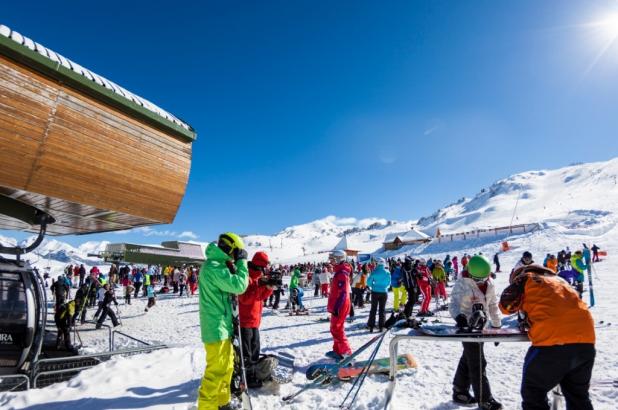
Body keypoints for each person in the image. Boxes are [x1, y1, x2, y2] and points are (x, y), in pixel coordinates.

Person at [499, 264, 595, 410]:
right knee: (578, 397)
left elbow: (505, 306)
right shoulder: (561, 281)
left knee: (533, 392)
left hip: (552, 343)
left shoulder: (526, 278)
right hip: (585, 341)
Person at [197, 232, 249, 410]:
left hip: (222, 326)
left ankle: (222, 402)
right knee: (214, 374)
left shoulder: (219, 265)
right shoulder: (213, 267)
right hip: (215, 327)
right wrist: (242, 263)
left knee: (226, 368)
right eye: (236, 254)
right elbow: (239, 285)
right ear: (230, 249)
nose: (236, 258)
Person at [450, 255, 502, 410]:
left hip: (482, 326)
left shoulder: (490, 283)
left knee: (469, 357)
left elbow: (492, 304)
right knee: (478, 361)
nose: (481, 282)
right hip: (467, 326)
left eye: (483, 279)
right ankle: (485, 399)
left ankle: (460, 390)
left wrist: (497, 326)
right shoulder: (462, 283)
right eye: (478, 279)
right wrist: (459, 317)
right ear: (471, 274)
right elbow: (453, 304)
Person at [238, 251, 275, 387]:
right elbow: (245, 299)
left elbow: (260, 297)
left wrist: (269, 288)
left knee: (255, 350)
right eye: (263, 266)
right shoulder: (246, 277)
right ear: (259, 265)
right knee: (246, 353)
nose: (264, 270)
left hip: (254, 320)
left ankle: (253, 374)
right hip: (245, 320)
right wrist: (259, 286)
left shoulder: (259, 277)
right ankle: (247, 376)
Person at [327, 250, 353, 357]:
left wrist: (337, 307)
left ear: (339, 259)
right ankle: (338, 350)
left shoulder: (342, 273)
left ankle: (346, 353)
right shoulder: (339, 271)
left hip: (341, 304)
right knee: (335, 328)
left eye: (333, 259)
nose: (331, 261)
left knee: (337, 329)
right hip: (338, 303)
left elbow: (343, 292)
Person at [366, 258, 391, 332]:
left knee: (373, 309)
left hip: (375, 292)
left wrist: (373, 286)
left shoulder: (374, 271)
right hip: (384, 292)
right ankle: (381, 326)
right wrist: (384, 287)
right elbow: (389, 283)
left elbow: (368, 282)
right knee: (382, 309)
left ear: (377, 263)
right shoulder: (387, 272)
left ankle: (371, 326)